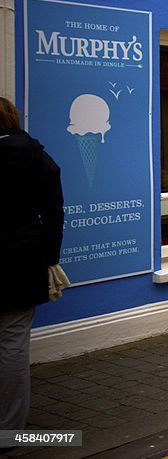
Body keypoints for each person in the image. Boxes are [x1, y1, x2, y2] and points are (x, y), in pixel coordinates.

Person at [0, 97, 64, 431]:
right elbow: (54, 213)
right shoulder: (38, 158)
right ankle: (9, 430)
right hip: (22, 260)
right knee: (12, 342)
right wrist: (50, 259)